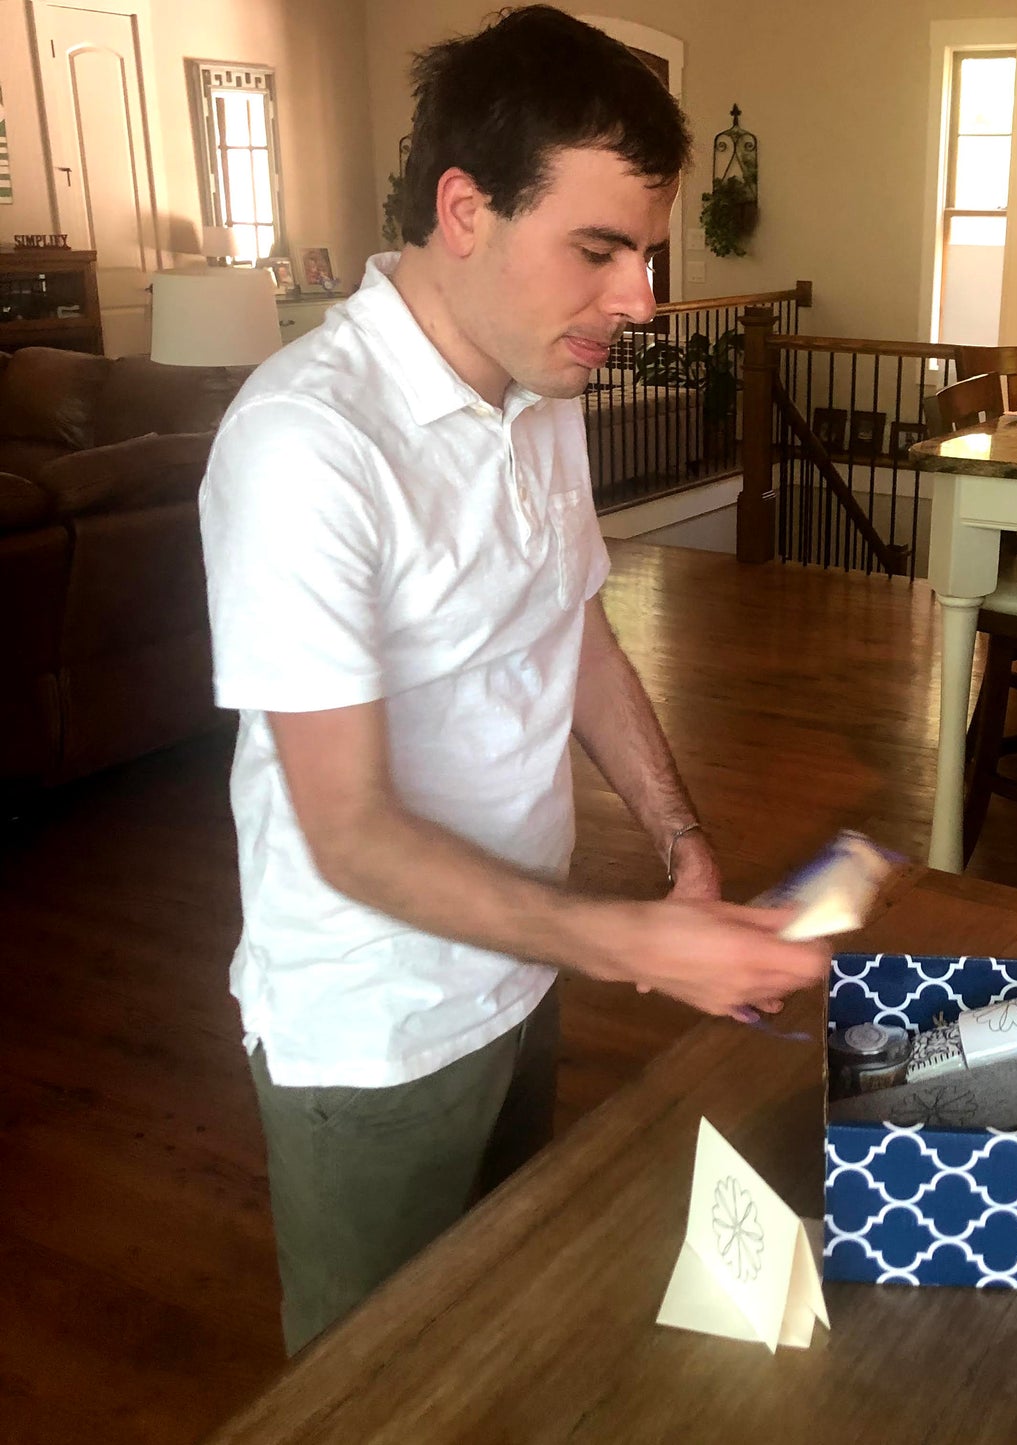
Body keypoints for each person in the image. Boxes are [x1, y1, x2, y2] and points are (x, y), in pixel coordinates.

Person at [198, 5, 830, 1356]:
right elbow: (350, 836)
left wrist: (679, 843)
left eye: (647, 255)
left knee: (498, 1335)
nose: (640, 301)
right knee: (377, 1389)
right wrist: (634, 943)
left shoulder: (539, 392)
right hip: (377, 1025)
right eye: (598, 250)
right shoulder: (306, 447)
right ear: (464, 207)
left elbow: (575, 630)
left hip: (520, 969)